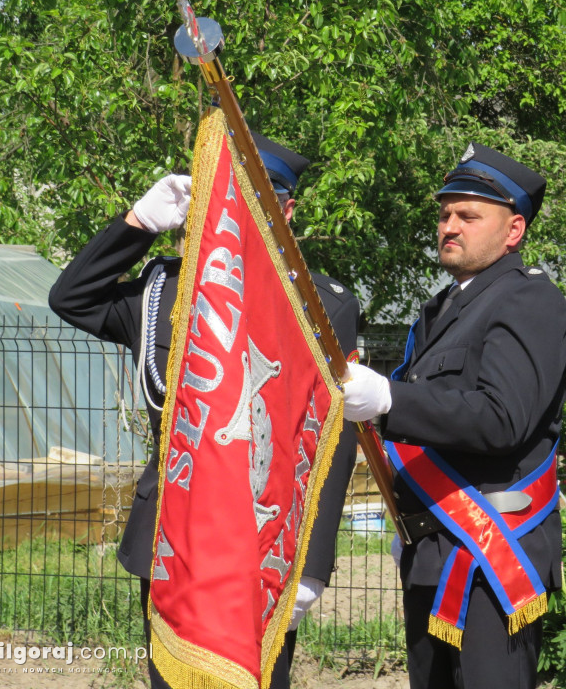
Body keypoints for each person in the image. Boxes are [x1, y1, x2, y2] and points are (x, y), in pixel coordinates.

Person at [48, 133, 360, 689]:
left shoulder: (321, 305)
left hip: (261, 539)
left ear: (285, 211)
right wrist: (138, 223)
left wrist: (311, 565)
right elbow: (73, 298)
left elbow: (333, 440)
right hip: (172, 530)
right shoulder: (165, 289)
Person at [339, 144, 566, 689]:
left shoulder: (529, 300)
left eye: (468, 216)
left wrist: (393, 401)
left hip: (491, 552)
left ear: (513, 230)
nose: (450, 226)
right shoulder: (443, 308)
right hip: (431, 548)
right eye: (445, 214)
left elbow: (502, 419)